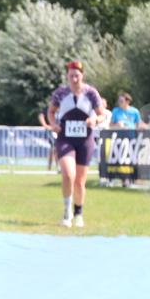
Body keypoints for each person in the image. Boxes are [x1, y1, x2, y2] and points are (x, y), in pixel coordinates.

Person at [47, 60, 105, 228]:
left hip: (85, 140)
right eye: (71, 75)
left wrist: (94, 119)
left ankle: (78, 213)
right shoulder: (60, 93)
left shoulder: (91, 93)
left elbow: (102, 115)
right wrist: (53, 124)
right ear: (67, 76)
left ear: (82, 75)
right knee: (68, 174)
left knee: (80, 181)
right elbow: (51, 111)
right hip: (65, 138)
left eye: (77, 75)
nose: (74, 78)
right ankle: (67, 211)